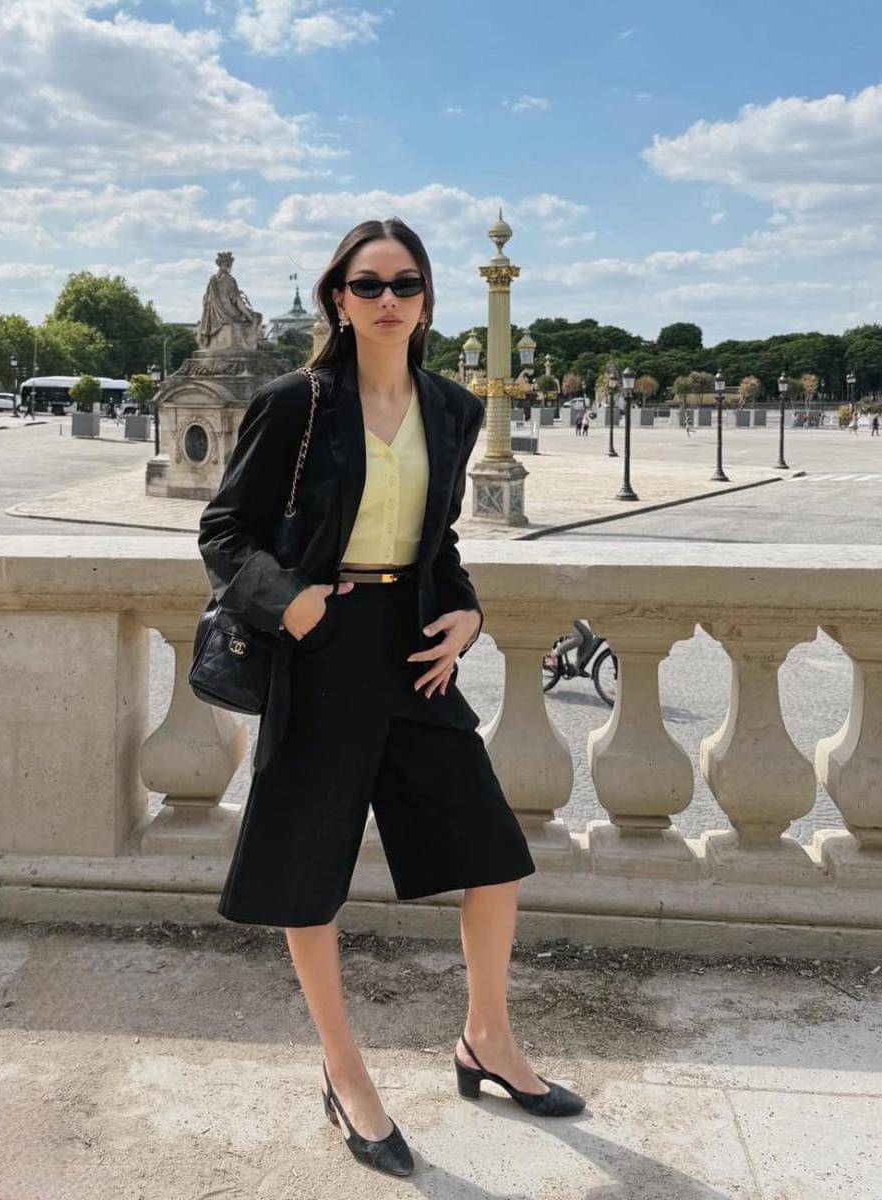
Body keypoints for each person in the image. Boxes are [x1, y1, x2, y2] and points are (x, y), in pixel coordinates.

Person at [198, 218, 585, 1181]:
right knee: (307, 868)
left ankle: (486, 1040)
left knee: (490, 852)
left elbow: (437, 540)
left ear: (425, 299)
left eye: (404, 284)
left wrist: (467, 613)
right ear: (337, 298)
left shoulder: (448, 407)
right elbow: (225, 531)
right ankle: (345, 1072)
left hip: (414, 651)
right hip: (320, 647)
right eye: (366, 284)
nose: (386, 300)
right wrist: (290, 607)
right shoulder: (294, 402)